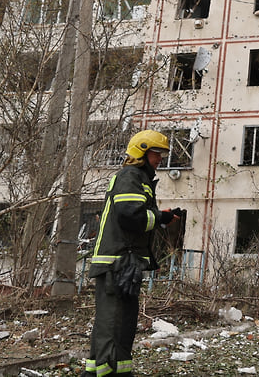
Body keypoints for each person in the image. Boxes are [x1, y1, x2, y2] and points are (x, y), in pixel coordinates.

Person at [85, 129, 182, 376]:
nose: (160, 159)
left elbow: (133, 213)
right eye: (157, 153)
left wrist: (160, 216)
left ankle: (107, 371)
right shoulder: (131, 176)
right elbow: (129, 215)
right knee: (114, 322)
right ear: (142, 151)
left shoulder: (139, 178)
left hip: (124, 261)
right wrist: (160, 217)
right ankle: (105, 373)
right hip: (117, 261)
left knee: (121, 322)